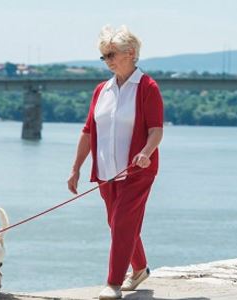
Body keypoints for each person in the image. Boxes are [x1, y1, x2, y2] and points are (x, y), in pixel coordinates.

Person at [67, 25, 164, 300]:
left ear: (130, 53)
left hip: (137, 171)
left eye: (112, 54)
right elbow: (88, 131)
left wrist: (146, 152)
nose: (108, 60)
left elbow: (156, 130)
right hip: (107, 172)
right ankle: (141, 268)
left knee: (122, 223)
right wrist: (76, 168)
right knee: (118, 223)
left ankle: (113, 283)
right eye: (104, 56)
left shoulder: (147, 88)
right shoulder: (102, 90)